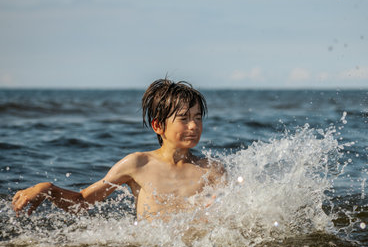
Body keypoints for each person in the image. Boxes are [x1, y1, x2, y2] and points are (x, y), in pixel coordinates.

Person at [12, 78, 225, 221]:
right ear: (158, 125)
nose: (193, 126)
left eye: (198, 118)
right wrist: (48, 188)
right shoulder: (138, 164)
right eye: (184, 119)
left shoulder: (212, 170)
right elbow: (83, 201)